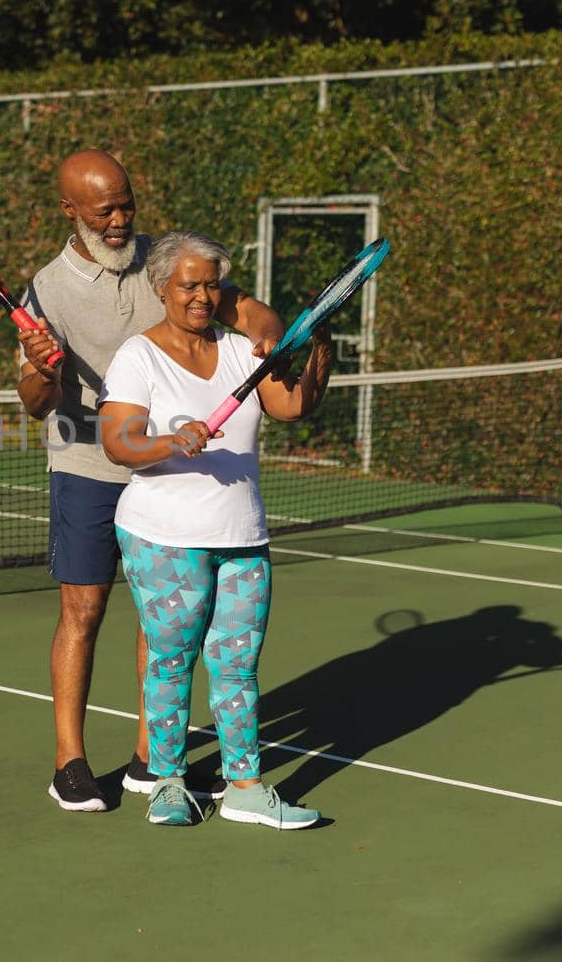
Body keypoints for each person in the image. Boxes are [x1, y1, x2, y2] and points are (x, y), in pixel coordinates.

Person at [17, 149, 284, 812]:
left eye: (126, 203)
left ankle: (149, 758)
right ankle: (69, 761)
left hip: (171, 473)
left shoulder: (166, 268)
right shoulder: (44, 290)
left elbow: (248, 312)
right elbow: (35, 399)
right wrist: (41, 367)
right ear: (70, 211)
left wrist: (273, 336)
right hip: (87, 464)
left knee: (164, 620)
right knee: (84, 611)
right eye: (103, 209)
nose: (118, 218)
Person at [97, 230, 334, 827]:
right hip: (162, 536)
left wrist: (320, 356)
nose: (202, 297)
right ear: (161, 288)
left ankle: (247, 787)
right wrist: (167, 441)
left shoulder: (237, 349)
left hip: (243, 537)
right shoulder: (138, 356)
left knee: (237, 664)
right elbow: (116, 442)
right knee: (171, 660)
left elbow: (292, 406)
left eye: (211, 284)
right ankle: (169, 782)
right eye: (188, 285)